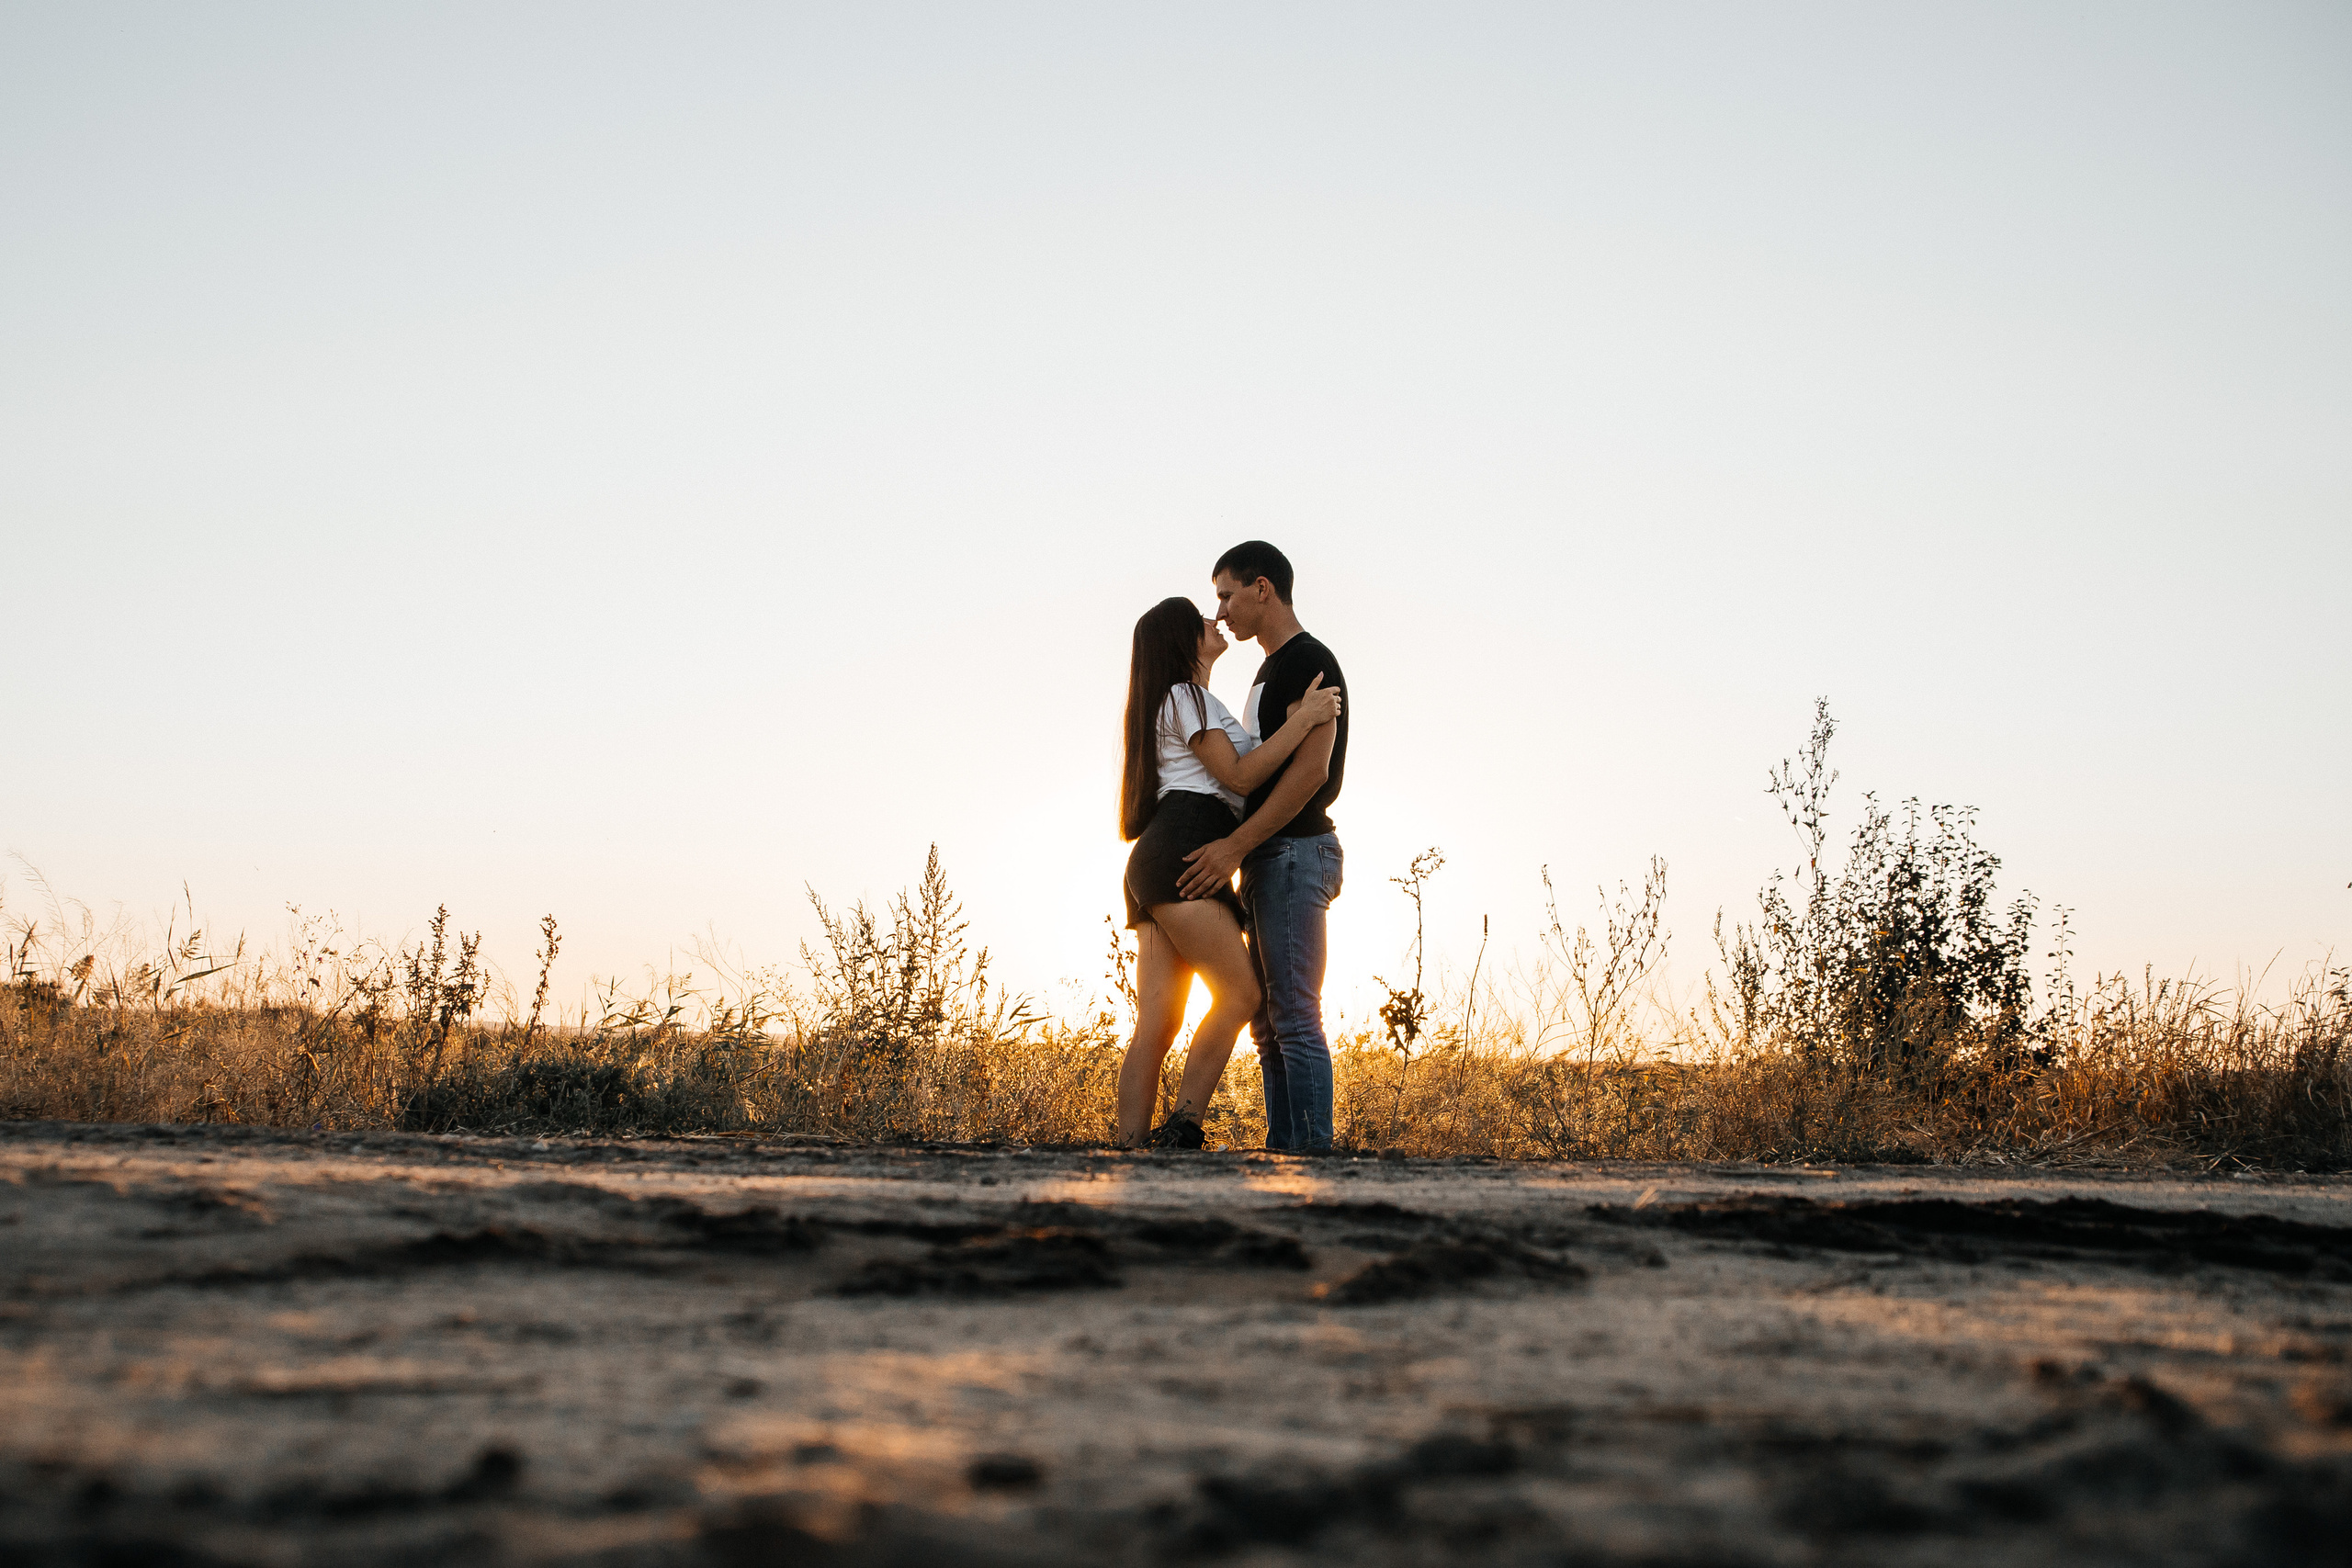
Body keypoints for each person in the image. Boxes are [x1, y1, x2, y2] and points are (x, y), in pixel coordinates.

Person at [1116, 595, 1343, 1148]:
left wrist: (1288, 727)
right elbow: (1240, 777)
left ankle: (1126, 1149)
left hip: (1164, 855)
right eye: (1200, 618)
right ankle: (1183, 1126)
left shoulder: (1183, 701)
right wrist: (1308, 719)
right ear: (1180, 641)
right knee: (1242, 996)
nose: (1214, 619)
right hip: (1188, 850)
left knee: (1159, 1020)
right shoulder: (1186, 695)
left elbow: (1240, 770)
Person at [1175, 542, 1348, 1152]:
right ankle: (1287, 1151)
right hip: (1272, 856)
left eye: (1226, 594)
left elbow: (1310, 774)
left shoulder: (1309, 660)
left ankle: (1311, 1157)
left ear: (1263, 588)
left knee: (1295, 1017)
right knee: (1270, 1023)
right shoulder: (1270, 669)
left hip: (1296, 851)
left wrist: (1234, 847)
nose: (1219, 611)